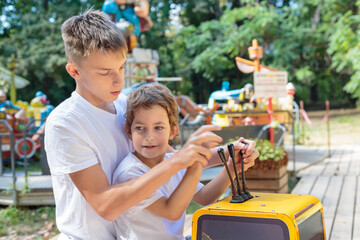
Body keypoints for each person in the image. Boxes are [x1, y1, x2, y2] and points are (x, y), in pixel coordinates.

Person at [44, 9, 258, 239]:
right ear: (74, 70)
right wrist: (180, 161)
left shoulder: (126, 105)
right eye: (105, 72)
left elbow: (170, 157)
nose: (119, 80)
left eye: (121, 67)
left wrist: (231, 155)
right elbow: (106, 206)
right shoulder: (65, 123)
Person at [113, 83, 244, 240]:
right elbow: (171, 212)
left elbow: (205, 197)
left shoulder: (172, 161)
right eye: (140, 128)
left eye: (158, 128)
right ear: (129, 130)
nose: (149, 136)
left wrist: (230, 167)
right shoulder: (130, 173)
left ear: (173, 131)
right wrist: (195, 166)